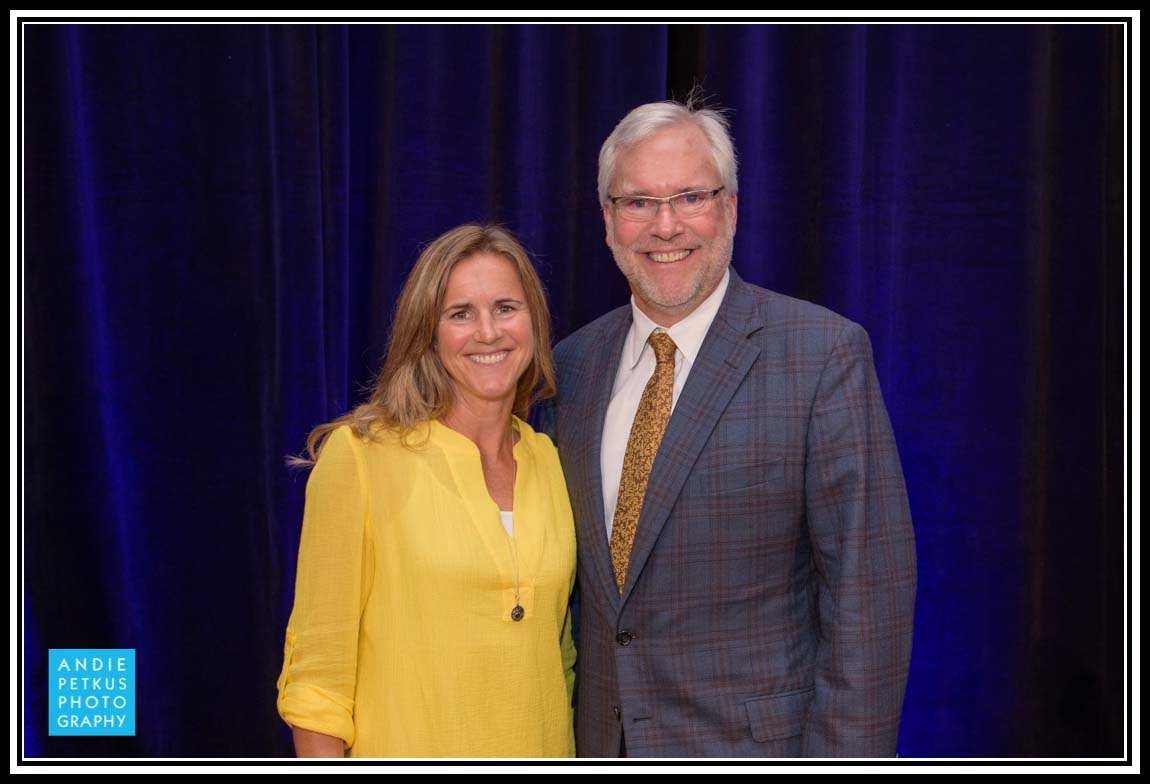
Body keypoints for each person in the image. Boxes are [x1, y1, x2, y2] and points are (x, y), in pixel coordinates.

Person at [538, 96, 917, 757]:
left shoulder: (820, 354)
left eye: (690, 197)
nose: (665, 225)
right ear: (607, 221)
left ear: (731, 209)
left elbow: (868, 597)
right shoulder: (569, 368)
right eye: (638, 203)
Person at [276, 224, 576, 758]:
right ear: (428, 333)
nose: (488, 332)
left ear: (534, 321)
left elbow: (561, 658)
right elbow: (318, 680)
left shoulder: (548, 461)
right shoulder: (362, 457)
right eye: (460, 314)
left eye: (506, 307)